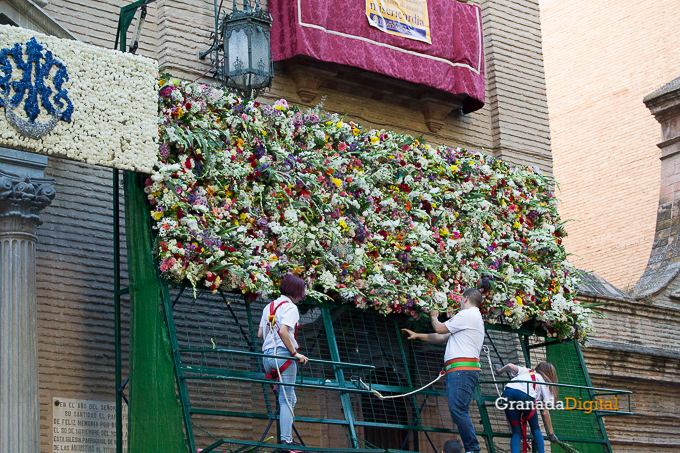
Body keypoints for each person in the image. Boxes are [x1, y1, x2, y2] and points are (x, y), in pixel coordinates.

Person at [402, 288, 485, 453]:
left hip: (462, 370)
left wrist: (434, 316)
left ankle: (473, 448)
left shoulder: (468, 315)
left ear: (466, 299)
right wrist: (418, 335)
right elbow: (440, 337)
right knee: (458, 411)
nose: (460, 303)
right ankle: (471, 447)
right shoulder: (471, 319)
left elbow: (439, 329)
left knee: (457, 410)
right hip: (462, 370)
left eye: (461, 300)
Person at [257, 274, 309, 450]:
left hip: (267, 357)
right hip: (283, 357)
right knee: (287, 399)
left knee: (288, 398)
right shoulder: (291, 308)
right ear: (296, 291)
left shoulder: (268, 307)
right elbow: (284, 331)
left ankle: (287, 437)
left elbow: (260, 334)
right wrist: (295, 353)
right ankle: (286, 440)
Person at [496, 361, 559, 453]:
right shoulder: (546, 383)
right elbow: (545, 413)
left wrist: (499, 371)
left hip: (507, 393)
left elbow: (510, 365)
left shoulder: (527, 371)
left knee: (516, 432)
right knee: (535, 429)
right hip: (525, 396)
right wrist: (551, 434)